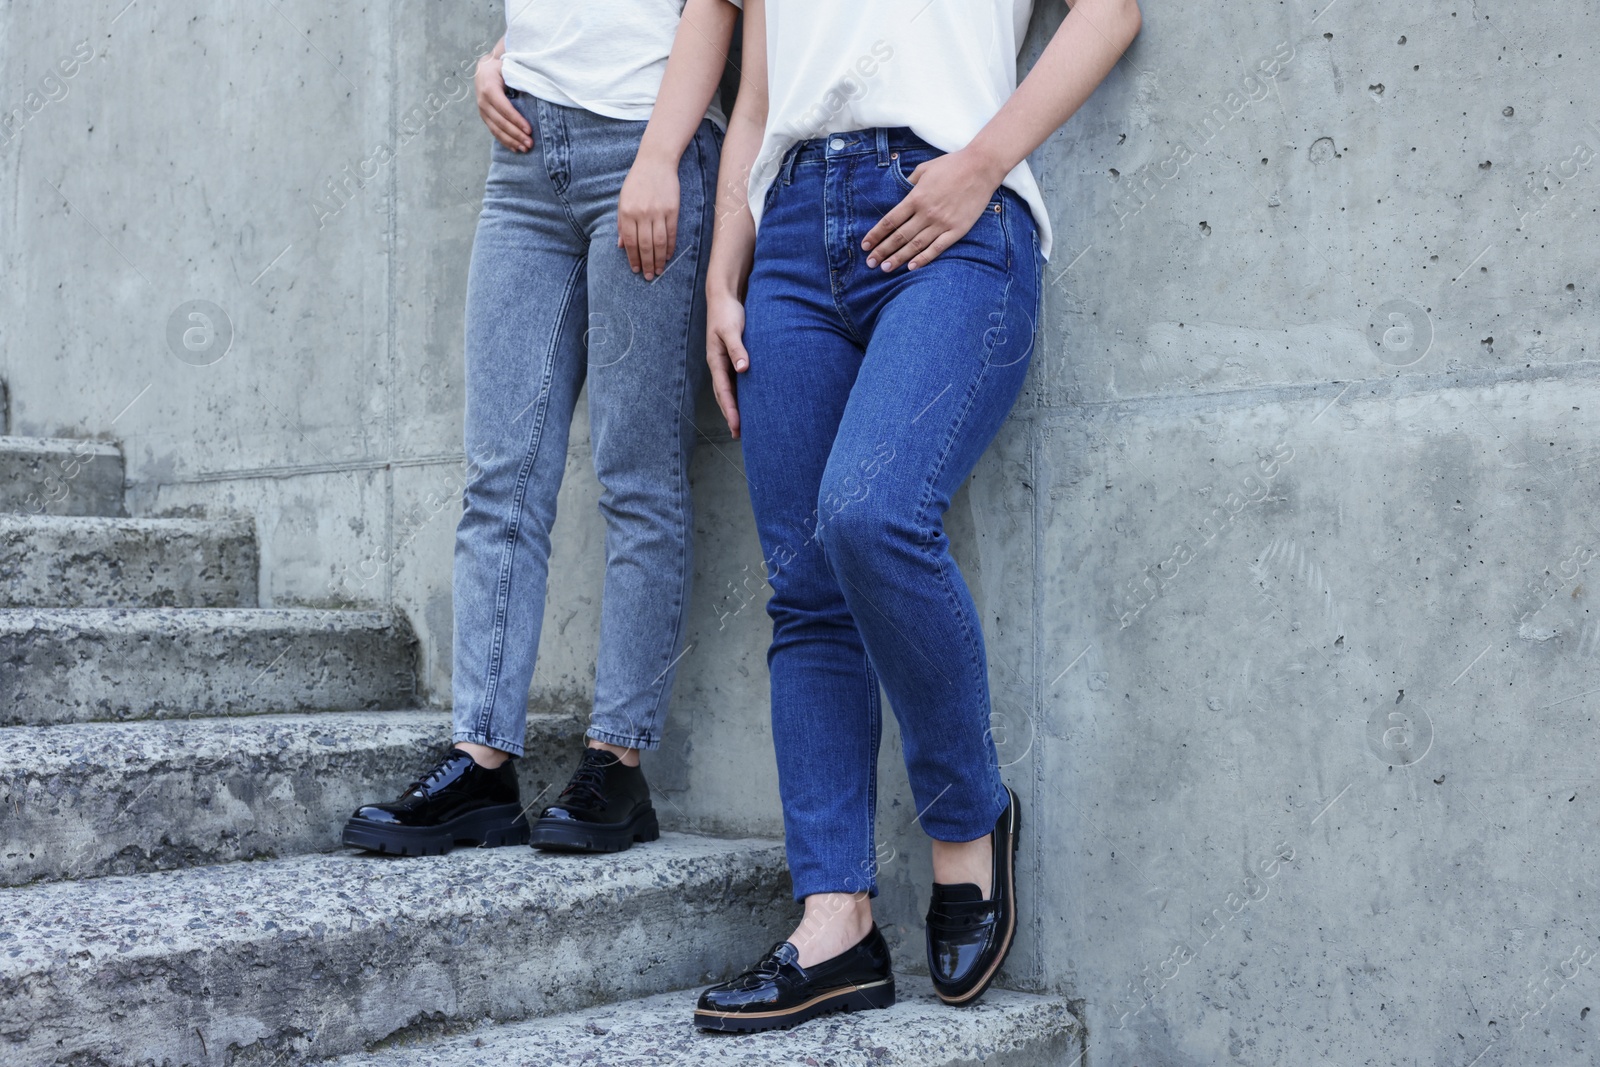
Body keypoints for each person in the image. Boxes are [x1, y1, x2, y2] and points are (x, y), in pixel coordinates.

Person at [693, 0, 1141, 1032]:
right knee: (805, 590)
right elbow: (755, 99)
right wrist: (726, 267)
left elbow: (1109, 13)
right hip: (791, 239)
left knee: (870, 515)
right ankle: (836, 920)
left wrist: (982, 162)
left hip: (947, 209)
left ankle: (965, 823)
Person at [342, 0, 742, 858]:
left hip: (644, 142)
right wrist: (500, 56)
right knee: (501, 475)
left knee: (637, 475)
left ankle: (617, 761)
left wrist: (663, 154)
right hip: (524, 156)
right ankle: (482, 761)